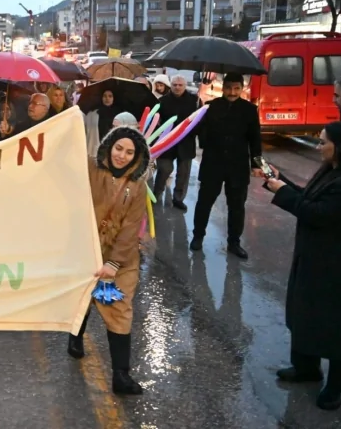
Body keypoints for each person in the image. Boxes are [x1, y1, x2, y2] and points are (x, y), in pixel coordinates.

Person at [264, 122, 341, 411]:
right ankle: (306, 367)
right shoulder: (331, 170)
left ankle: (339, 385)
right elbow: (309, 198)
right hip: (313, 257)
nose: (319, 147)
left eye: (323, 142)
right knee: (305, 313)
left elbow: (318, 213)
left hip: (340, 265)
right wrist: (279, 181)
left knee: (337, 325)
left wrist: (283, 191)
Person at [66, 126, 150, 395]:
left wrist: (113, 263)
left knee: (118, 309)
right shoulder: (90, 168)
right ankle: (75, 336)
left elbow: (131, 228)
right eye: (118, 148)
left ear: (137, 156)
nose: (122, 156)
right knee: (83, 298)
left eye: (129, 152)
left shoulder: (137, 186)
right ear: (109, 146)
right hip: (87, 253)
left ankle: (121, 376)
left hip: (119, 263)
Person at [192, 73, 263, 259]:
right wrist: (201, 128)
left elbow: (255, 140)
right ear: (222, 88)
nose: (232, 92)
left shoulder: (249, 110)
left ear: (242, 88)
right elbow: (199, 134)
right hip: (213, 164)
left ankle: (234, 242)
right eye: (229, 88)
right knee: (204, 203)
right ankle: (198, 236)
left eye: (236, 88)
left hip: (238, 166)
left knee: (237, 207)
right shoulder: (210, 107)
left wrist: (257, 165)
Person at [152, 75, 198, 211]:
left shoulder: (194, 101)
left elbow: (200, 120)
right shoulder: (162, 101)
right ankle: (156, 194)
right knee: (164, 169)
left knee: (183, 173)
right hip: (167, 141)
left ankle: (178, 199)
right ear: (170, 86)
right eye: (174, 85)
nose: (177, 87)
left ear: (185, 86)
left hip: (186, 142)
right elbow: (156, 121)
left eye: (180, 85)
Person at [84, 90, 119, 158]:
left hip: (112, 149)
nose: (107, 98)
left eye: (110, 96)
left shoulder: (118, 114)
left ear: (114, 98)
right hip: (96, 149)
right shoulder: (93, 113)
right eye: (104, 96)